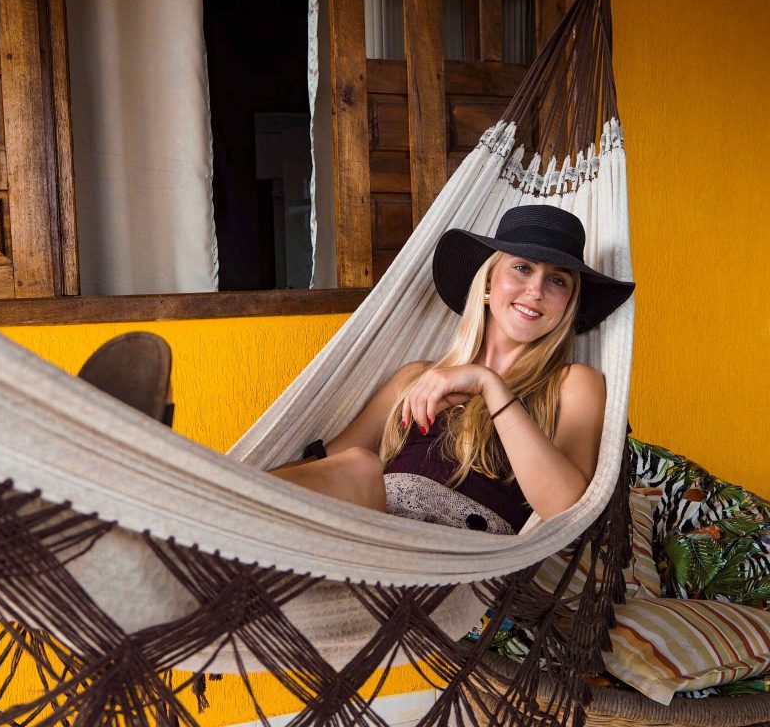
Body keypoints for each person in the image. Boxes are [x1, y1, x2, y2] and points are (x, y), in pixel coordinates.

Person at [270, 204, 635, 534]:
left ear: (568, 303)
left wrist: (489, 385)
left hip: (463, 558)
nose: (536, 289)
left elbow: (565, 509)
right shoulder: (415, 379)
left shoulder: (574, 383)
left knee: (362, 467)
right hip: (367, 530)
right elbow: (326, 464)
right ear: (489, 282)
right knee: (359, 466)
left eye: (558, 280)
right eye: (522, 268)